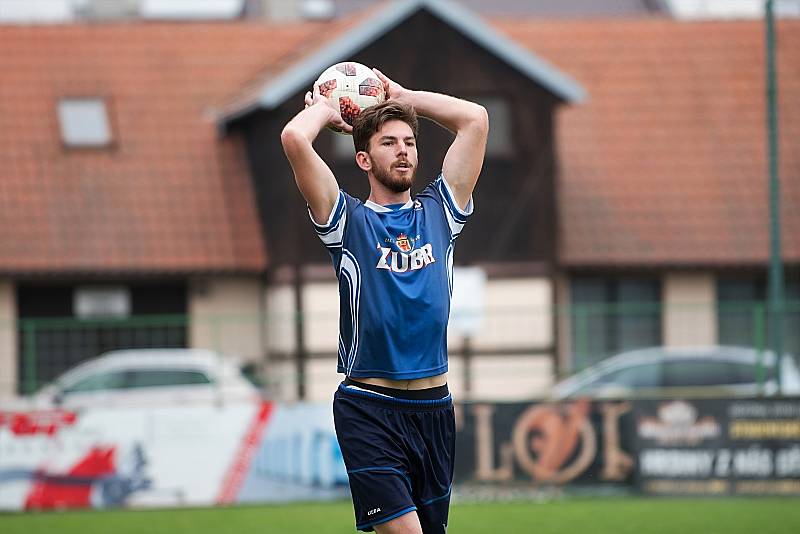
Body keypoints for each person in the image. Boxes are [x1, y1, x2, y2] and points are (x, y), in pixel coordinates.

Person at [281, 67, 488, 534]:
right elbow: (295, 139)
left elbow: (475, 119)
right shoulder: (347, 221)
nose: (403, 151)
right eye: (388, 143)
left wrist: (403, 96)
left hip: (434, 408)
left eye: (409, 142)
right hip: (368, 406)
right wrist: (324, 110)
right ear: (364, 160)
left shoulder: (441, 211)